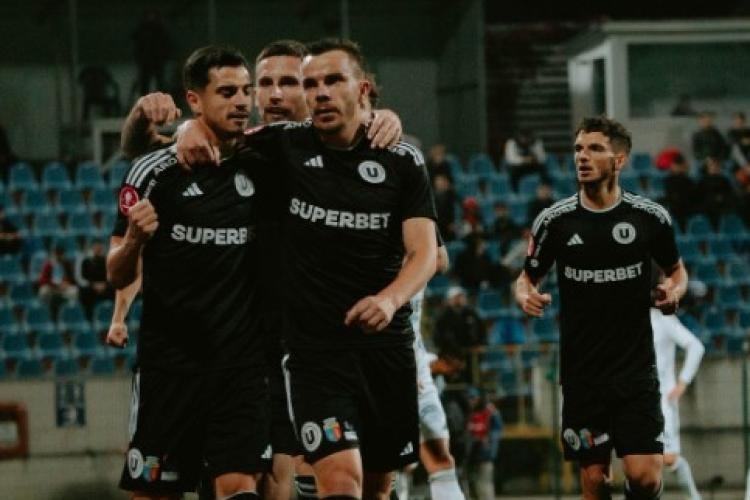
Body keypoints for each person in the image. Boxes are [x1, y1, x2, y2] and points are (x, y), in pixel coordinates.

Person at [138, 38, 434, 499]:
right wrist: (186, 128)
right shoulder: (282, 145)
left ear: (363, 89)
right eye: (310, 83)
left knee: (378, 488)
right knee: (336, 478)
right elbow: (177, 146)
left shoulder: (401, 158)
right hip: (310, 352)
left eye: (331, 81)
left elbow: (427, 254)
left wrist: (390, 300)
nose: (319, 92)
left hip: (385, 348)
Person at [106, 45, 271, 500]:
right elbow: (116, 273)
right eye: (227, 92)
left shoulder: (263, 161)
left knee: (240, 488)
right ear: (194, 100)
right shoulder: (153, 171)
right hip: (170, 368)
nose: (242, 102)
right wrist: (135, 240)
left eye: (246, 91)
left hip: (241, 367)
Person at [514, 116, 688, 500]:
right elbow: (525, 278)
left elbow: (677, 271)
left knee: (646, 478)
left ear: (619, 160)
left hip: (635, 371)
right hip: (583, 375)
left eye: (594, 149)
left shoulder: (649, 218)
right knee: (595, 481)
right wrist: (525, 294)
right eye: (578, 148)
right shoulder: (555, 222)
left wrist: (674, 291)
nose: (582, 156)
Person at [392, 244, 465, 500]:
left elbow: (442, 260)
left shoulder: (417, 225)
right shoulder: (364, 242)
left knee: (440, 458)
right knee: (381, 468)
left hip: (415, 359)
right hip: (375, 360)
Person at [651, 268, 704, 500]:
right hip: (639, 400)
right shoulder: (635, 321)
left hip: (662, 400)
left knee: (668, 458)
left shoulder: (665, 320)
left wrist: (682, 383)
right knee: (642, 462)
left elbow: (696, 347)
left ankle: (694, 497)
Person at [465, 387, 502, 500]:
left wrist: (488, 449)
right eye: (469, 399)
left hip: (484, 455)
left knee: (485, 485)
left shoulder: (490, 412)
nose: (471, 401)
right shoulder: (469, 412)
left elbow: (495, 433)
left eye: (473, 398)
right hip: (472, 455)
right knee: (474, 485)